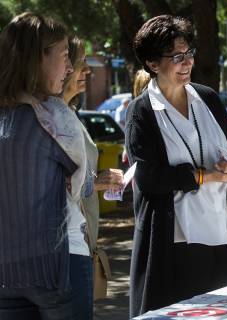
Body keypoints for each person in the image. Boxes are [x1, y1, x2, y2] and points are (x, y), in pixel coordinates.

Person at [126, 15, 227, 317]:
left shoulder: (208, 97)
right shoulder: (142, 112)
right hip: (177, 242)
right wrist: (206, 175)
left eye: (188, 54)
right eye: (176, 57)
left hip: (225, 233)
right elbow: (148, 178)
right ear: (152, 63)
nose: (186, 63)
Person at [0, 12, 83, 319]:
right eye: (64, 55)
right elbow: (80, 186)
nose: (70, 67)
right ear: (38, 58)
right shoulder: (52, 116)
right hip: (48, 270)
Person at [62, 36, 124, 311]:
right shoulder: (51, 119)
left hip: (82, 243)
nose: (87, 70)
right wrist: (95, 182)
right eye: (81, 63)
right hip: (63, 250)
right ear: (61, 67)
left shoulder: (70, 113)